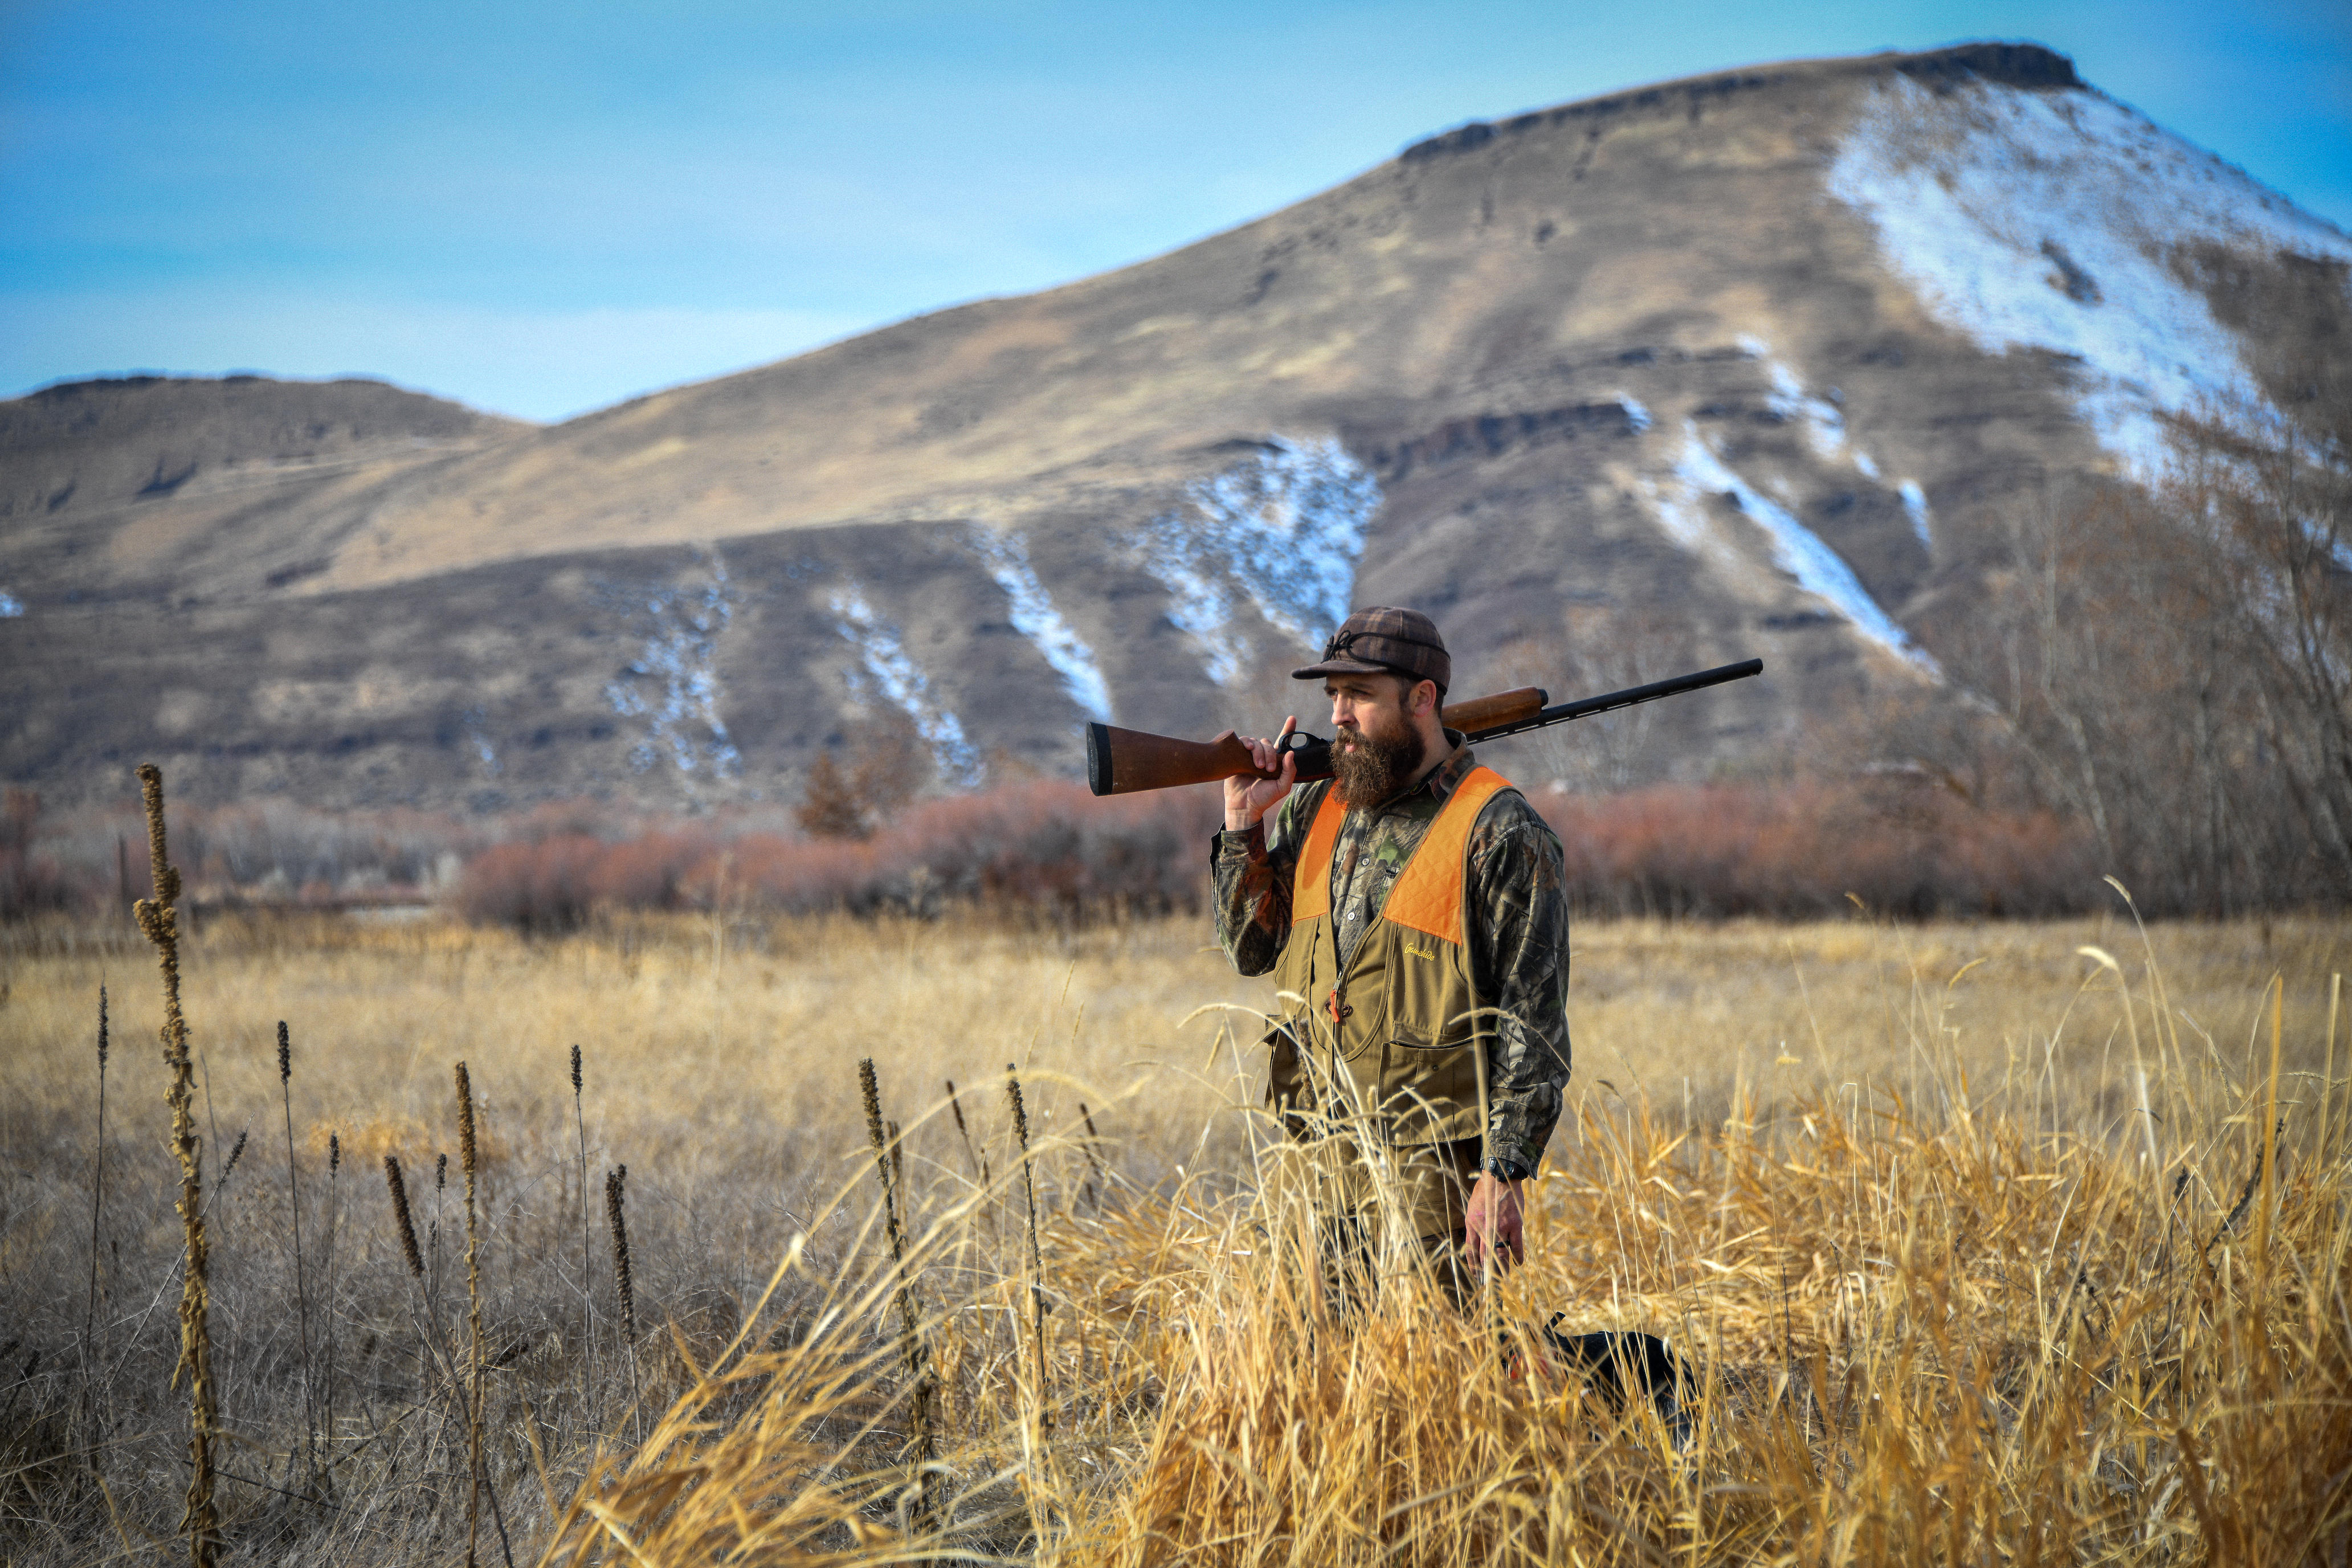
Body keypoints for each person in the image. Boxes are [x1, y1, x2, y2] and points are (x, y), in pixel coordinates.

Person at [1212, 605, 1571, 1305]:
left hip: (1432, 1169)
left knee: (1448, 1374)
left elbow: (1534, 1023)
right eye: (1333, 697)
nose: (1340, 715)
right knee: (1317, 1376)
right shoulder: (1313, 808)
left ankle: (1637, 1381)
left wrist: (1503, 1173)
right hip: (1316, 1156)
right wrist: (1241, 827)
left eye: (1361, 695)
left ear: (1423, 699)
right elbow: (1250, 951)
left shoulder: (1499, 829)